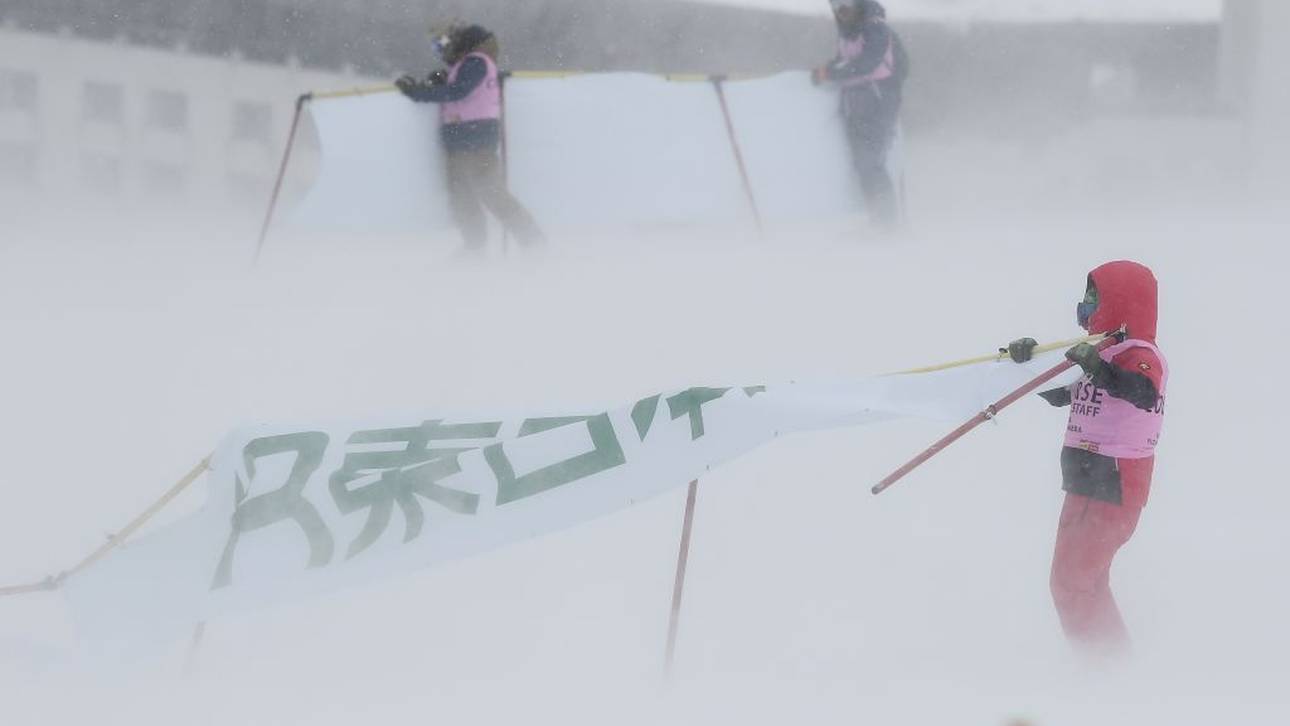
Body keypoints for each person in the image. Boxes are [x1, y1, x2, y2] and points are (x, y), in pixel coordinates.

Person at [1007, 261, 1168, 656]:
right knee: (1075, 580)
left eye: (1094, 299)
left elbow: (1143, 393)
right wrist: (1027, 366)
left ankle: (1105, 668)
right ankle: (1104, 664)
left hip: (1116, 479)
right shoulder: (1100, 352)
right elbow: (1059, 392)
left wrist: (1098, 367)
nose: (1085, 308)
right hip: (1083, 475)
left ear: (1120, 302)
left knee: (1073, 580)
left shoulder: (1140, 352)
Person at [395, 24, 545, 253]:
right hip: (462, 142)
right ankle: (475, 246)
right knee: (463, 198)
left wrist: (418, 92)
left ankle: (532, 241)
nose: (440, 51)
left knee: (490, 194)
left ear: (458, 42)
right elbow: (460, 88)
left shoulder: (476, 61)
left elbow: (459, 91)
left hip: (475, 143)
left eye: (442, 45)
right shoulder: (469, 64)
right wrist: (442, 81)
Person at [812, 0, 909, 229]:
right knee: (862, 164)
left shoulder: (875, 28)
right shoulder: (847, 32)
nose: (841, 11)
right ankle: (878, 221)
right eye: (836, 7)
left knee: (871, 163)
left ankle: (887, 225)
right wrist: (825, 70)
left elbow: (867, 63)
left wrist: (831, 74)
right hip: (856, 104)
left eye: (845, 5)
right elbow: (845, 61)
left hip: (879, 103)